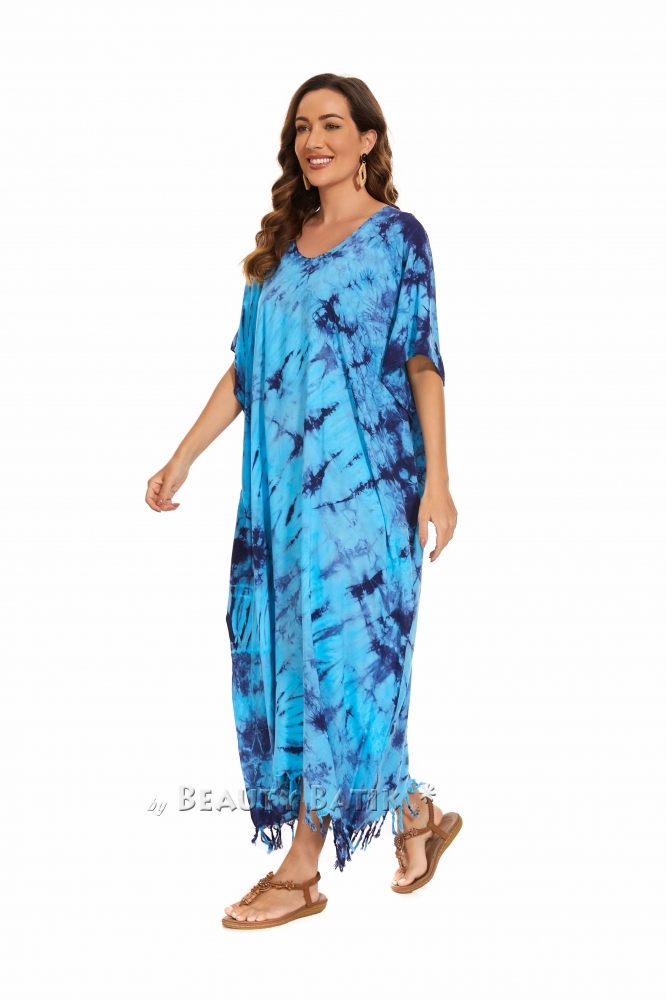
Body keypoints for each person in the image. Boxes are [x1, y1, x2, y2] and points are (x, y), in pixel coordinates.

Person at [146, 73, 461, 929]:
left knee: (344, 669)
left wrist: (437, 482)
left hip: (369, 498)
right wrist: (181, 459)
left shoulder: (398, 237)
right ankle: (416, 815)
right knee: (301, 666)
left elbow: (422, 361)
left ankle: (301, 869)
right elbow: (245, 370)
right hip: (283, 504)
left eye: (330, 124)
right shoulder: (280, 250)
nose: (312, 140)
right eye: (300, 128)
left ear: (367, 140)